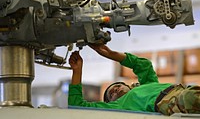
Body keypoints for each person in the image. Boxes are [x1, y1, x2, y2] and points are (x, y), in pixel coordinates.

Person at [68, 44, 200, 116]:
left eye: (117, 86)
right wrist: (77, 71)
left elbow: (143, 65)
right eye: (111, 94)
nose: (115, 90)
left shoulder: (148, 84)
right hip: (169, 102)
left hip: (180, 90)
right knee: (191, 98)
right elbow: (76, 105)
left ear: (129, 86)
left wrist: (112, 54)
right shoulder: (117, 107)